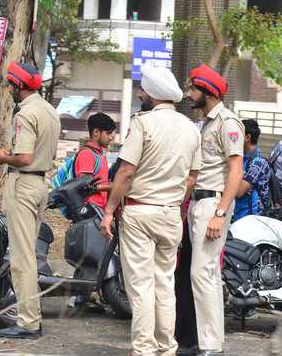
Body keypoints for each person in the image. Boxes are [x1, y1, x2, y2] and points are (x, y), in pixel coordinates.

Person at [100, 65, 201, 356]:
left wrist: (108, 211)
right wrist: (173, 204)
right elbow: (192, 179)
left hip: (140, 214)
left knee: (141, 286)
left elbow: (126, 172)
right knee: (165, 284)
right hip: (172, 215)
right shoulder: (190, 129)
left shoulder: (142, 123)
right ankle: (166, 347)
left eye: (143, 90)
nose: (141, 94)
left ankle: (143, 349)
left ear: (152, 95)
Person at [0, 62, 60, 339]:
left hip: (24, 182)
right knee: (28, 254)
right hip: (41, 184)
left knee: (21, 259)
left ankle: (28, 322)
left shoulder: (25, 114)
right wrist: (13, 153)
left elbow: (24, 158)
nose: (9, 89)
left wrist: (2, 157)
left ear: (20, 86)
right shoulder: (48, 111)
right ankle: (32, 318)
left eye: (11, 85)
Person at [185, 63, 244, 355]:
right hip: (199, 202)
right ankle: (208, 342)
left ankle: (211, 345)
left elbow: (236, 171)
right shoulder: (207, 122)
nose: (189, 94)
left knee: (203, 273)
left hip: (213, 203)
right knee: (202, 273)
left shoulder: (228, 123)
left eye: (193, 88)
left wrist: (220, 213)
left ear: (207, 91)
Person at [74, 112, 116, 209]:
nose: (111, 137)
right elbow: (84, 186)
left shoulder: (100, 154)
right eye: (108, 133)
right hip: (89, 210)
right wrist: (114, 187)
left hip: (98, 209)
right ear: (96, 132)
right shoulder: (87, 154)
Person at [233, 119, 270, 222]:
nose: (233, 139)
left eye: (236, 135)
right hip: (239, 216)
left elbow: (239, 191)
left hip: (252, 220)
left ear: (247, 137)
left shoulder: (258, 162)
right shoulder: (242, 158)